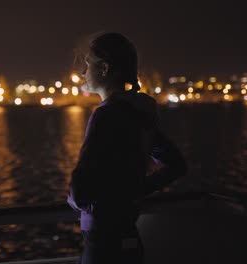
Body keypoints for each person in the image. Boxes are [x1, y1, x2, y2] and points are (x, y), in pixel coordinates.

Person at [67, 32, 187, 263]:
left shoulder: (105, 115)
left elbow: (79, 190)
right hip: (129, 238)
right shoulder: (140, 113)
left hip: (102, 245)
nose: (83, 72)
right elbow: (176, 165)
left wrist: (79, 202)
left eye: (87, 64)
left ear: (103, 68)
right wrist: (136, 189)